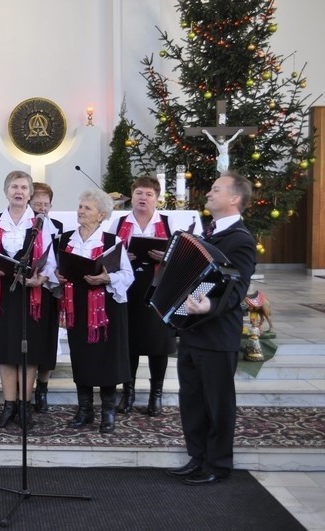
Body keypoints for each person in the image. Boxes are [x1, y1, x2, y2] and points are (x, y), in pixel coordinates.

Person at [167, 171, 256, 486]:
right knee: (191, 399)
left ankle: (218, 464)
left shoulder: (241, 239)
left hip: (218, 335)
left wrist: (209, 306)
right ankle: (198, 457)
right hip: (192, 331)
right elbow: (198, 277)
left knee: (217, 403)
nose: (209, 192)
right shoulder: (209, 233)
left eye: (216, 189)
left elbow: (237, 285)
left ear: (234, 199)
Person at [0, 171, 57, 429]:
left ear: (30, 193)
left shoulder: (42, 223)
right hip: (4, 294)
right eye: (14, 187)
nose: (19, 191)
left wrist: (40, 280)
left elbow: (52, 264)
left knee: (28, 352)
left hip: (31, 297)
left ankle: (25, 406)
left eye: (23, 187)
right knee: (6, 352)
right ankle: (8, 405)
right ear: (6, 191)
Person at [56, 188, 133, 434]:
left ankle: (108, 411)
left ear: (101, 215)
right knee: (82, 357)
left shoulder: (112, 242)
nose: (81, 211)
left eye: (87, 208)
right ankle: (85, 409)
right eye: (80, 207)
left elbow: (127, 275)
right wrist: (57, 275)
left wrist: (106, 278)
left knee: (107, 359)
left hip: (106, 309)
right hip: (77, 305)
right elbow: (53, 269)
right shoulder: (66, 240)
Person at [112, 176, 176, 417]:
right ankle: (128, 395)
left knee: (158, 345)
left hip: (158, 290)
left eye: (149, 194)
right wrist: (121, 258)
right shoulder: (118, 224)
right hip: (128, 290)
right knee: (130, 344)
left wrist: (165, 258)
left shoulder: (168, 224)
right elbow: (107, 256)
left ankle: (155, 396)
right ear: (132, 196)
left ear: (157, 199)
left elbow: (180, 259)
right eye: (139, 193)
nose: (143, 198)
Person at [28, 182, 63, 413]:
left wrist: (48, 275)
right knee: (30, 342)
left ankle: (43, 388)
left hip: (49, 291)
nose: (42, 207)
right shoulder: (24, 226)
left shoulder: (57, 226)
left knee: (48, 341)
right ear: (30, 203)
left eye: (45, 204)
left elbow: (60, 259)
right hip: (27, 291)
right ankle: (25, 391)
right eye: (37, 203)